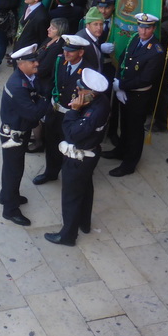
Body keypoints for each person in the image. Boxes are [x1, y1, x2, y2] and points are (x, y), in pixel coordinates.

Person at [44, 68, 111, 246]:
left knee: (71, 196)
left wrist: (73, 111)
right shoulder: (99, 101)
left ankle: (67, 235)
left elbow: (73, 133)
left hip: (80, 157)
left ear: (91, 94)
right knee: (85, 188)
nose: (78, 93)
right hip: (90, 154)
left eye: (81, 91)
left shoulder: (94, 112)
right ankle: (83, 222)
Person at [106, 12, 165, 177]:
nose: (143, 31)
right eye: (140, 26)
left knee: (134, 130)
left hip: (138, 95)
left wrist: (122, 85)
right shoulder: (134, 40)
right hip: (124, 91)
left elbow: (145, 79)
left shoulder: (156, 51)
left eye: (147, 28)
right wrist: (118, 83)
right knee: (123, 124)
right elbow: (122, 60)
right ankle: (120, 150)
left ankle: (129, 163)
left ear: (153, 29)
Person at [0, 45, 46, 226]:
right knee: (13, 170)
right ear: (20, 64)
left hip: (21, 130)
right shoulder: (17, 86)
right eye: (32, 61)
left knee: (15, 168)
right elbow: (33, 113)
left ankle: (8, 196)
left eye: (35, 60)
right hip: (13, 135)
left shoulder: (29, 77)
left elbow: (39, 88)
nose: (36, 63)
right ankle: (9, 209)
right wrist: (46, 101)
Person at [33, 34, 88, 185]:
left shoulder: (87, 71)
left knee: (70, 147)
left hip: (72, 115)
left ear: (81, 53)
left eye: (71, 51)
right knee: (51, 143)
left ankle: (71, 177)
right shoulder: (60, 61)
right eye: (65, 49)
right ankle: (50, 173)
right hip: (55, 110)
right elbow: (54, 82)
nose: (66, 53)